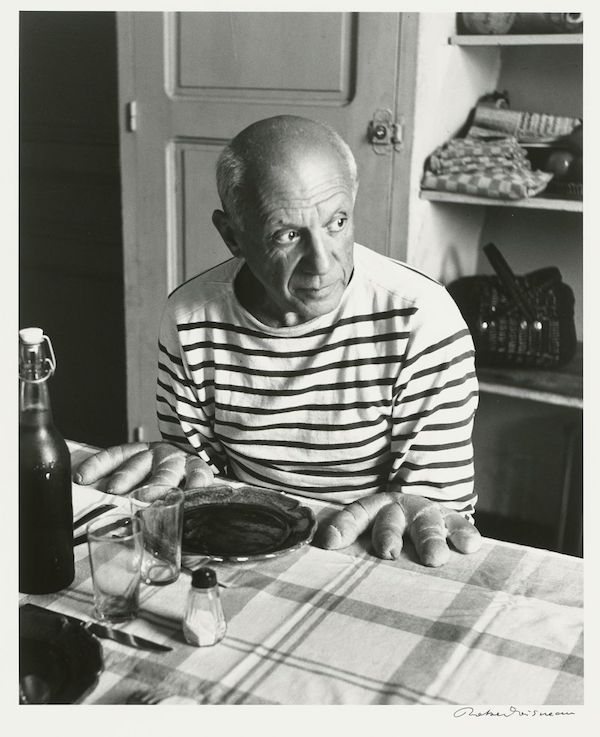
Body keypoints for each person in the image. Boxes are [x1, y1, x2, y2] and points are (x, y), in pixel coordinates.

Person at [75, 115, 481, 566]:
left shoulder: (420, 317)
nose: (321, 263)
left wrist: (412, 507)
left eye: (337, 222)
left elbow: (437, 508)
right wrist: (180, 463)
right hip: (247, 541)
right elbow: (198, 473)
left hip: (370, 550)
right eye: (288, 235)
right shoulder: (190, 317)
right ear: (232, 236)